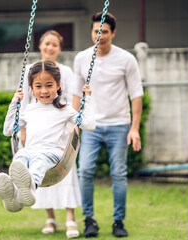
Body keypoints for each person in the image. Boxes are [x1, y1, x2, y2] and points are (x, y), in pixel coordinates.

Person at [72, 12, 143, 238]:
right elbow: (76, 95)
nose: (99, 35)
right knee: (85, 172)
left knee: (119, 174)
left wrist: (134, 129)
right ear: (91, 32)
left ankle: (118, 222)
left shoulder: (126, 59)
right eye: (96, 31)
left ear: (112, 32)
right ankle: (89, 220)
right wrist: (74, 124)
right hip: (91, 126)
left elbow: (136, 95)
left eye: (104, 31)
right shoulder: (82, 58)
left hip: (119, 124)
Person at [0, 60, 95, 217]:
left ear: (58, 85)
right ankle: (14, 196)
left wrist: (87, 99)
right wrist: (15, 102)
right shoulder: (29, 110)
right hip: (32, 151)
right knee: (21, 155)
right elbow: (8, 130)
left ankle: (31, 186)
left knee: (38, 158)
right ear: (31, 88)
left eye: (49, 85)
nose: (44, 91)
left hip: (54, 155)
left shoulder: (65, 110)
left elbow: (89, 125)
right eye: (38, 86)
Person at [20, 30, 82, 239]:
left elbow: (74, 98)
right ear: (40, 45)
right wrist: (22, 129)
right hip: (36, 127)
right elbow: (23, 100)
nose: (50, 48)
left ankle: (70, 218)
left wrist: (74, 125)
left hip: (60, 127)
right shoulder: (30, 69)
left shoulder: (65, 71)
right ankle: (50, 217)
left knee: (63, 170)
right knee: (39, 170)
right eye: (46, 43)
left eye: (54, 45)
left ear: (59, 48)